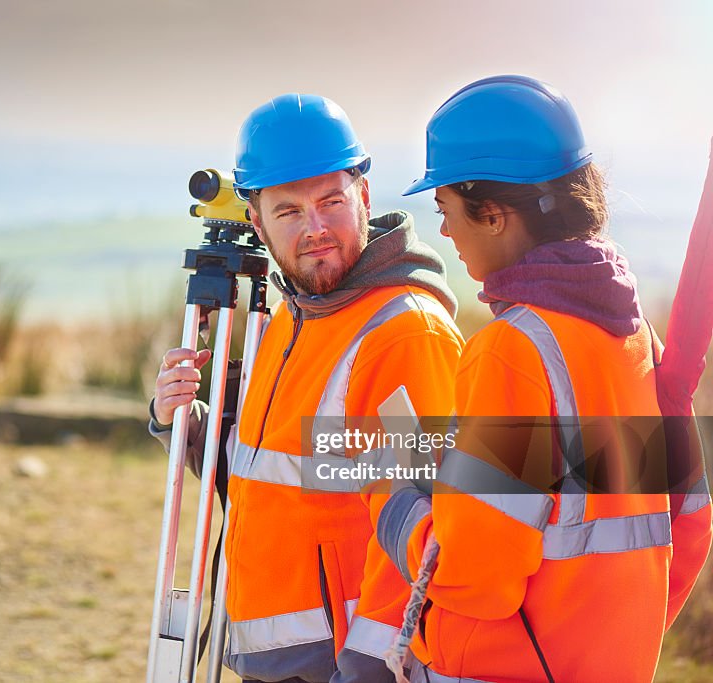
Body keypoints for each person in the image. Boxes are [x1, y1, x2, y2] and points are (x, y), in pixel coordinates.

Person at [374, 75, 713, 682]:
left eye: (446, 210)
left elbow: (473, 576)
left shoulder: (510, 352)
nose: (445, 233)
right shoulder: (635, 339)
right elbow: (687, 524)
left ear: (495, 216)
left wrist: (396, 497)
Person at [150, 93, 464, 683]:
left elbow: (428, 536)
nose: (316, 229)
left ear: (364, 196)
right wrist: (186, 425)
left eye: (331, 202)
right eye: (289, 211)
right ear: (257, 222)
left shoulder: (401, 334)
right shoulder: (298, 314)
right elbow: (277, 478)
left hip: (338, 665)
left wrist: (365, 672)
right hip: (273, 658)